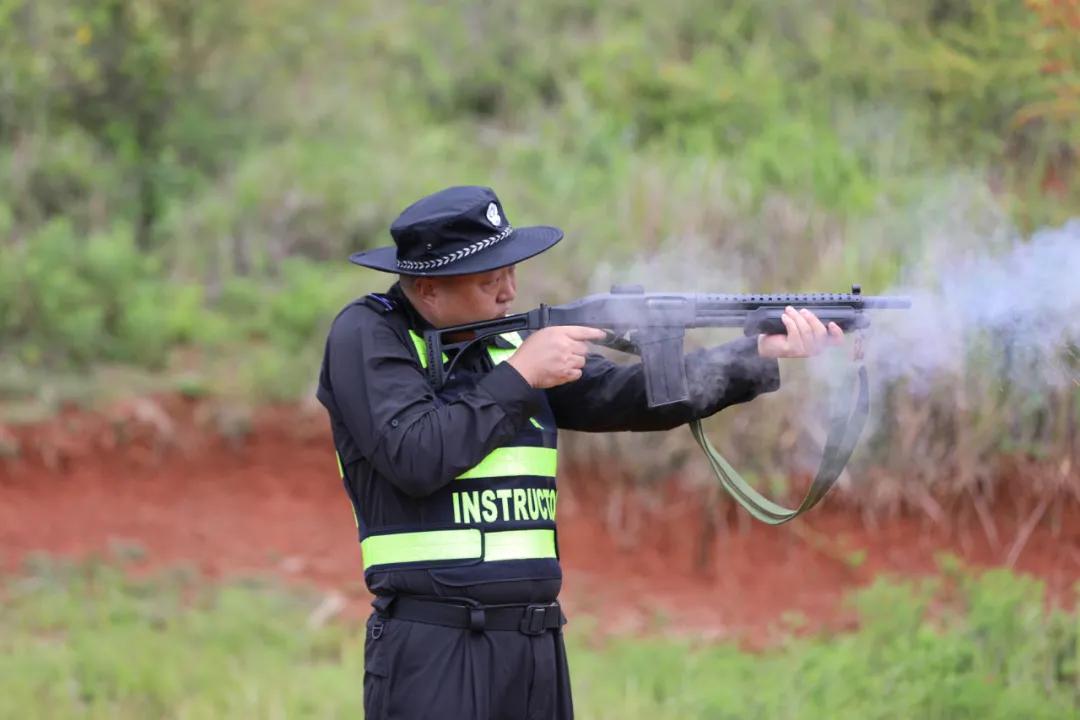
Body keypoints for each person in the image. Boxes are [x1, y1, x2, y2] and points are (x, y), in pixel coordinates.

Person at [316, 185, 843, 720]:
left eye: (510, 273)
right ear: (427, 289)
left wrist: (752, 355)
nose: (508, 292)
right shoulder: (369, 333)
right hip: (434, 646)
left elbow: (625, 398)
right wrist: (522, 375)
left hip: (535, 643)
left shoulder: (505, 342)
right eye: (488, 280)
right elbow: (415, 454)